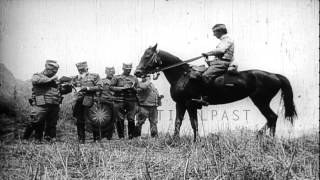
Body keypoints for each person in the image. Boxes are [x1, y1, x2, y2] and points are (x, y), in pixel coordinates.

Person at [23, 60, 61, 142]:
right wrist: (51, 79)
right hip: (41, 101)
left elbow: (60, 90)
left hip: (54, 103)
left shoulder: (54, 79)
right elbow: (36, 81)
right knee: (35, 120)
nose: (54, 73)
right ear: (47, 69)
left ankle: (48, 139)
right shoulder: (37, 75)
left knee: (52, 122)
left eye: (56, 72)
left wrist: (67, 87)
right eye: (53, 71)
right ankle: (25, 138)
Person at [72, 61, 102, 143]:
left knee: (93, 118)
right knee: (79, 120)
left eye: (82, 69)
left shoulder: (94, 76)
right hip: (79, 101)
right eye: (79, 69)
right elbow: (73, 88)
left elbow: (99, 87)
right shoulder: (75, 78)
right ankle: (81, 139)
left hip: (91, 99)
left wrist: (88, 88)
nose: (81, 71)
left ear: (87, 68)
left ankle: (97, 138)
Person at [110, 63, 139, 139]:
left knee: (131, 118)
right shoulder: (116, 77)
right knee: (120, 118)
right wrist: (122, 88)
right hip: (119, 100)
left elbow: (138, 89)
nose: (128, 71)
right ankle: (121, 137)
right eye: (127, 69)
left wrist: (133, 89)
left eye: (130, 69)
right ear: (123, 69)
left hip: (131, 100)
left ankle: (131, 137)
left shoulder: (134, 78)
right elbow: (111, 87)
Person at [98, 66, 116, 140]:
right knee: (103, 119)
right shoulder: (102, 80)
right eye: (109, 72)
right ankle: (102, 135)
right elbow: (98, 91)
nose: (110, 73)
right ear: (106, 72)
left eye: (112, 72)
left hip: (113, 101)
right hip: (104, 101)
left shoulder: (117, 80)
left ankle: (109, 136)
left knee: (112, 119)